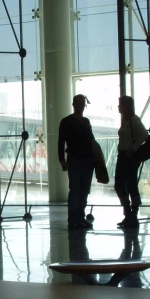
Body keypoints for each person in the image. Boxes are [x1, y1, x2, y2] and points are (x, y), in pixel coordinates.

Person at [58, 94, 95, 230]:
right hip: (77, 159)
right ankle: (75, 218)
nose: (81, 107)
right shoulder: (72, 122)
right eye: (80, 104)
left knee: (81, 189)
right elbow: (61, 142)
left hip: (83, 159)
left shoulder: (79, 121)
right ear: (74, 104)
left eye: (83, 104)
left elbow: (91, 140)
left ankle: (78, 218)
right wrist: (61, 159)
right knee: (76, 190)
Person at [115, 95, 148, 229]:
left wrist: (132, 149)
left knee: (129, 185)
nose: (118, 107)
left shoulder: (134, 120)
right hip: (123, 156)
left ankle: (132, 215)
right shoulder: (126, 120)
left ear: (126, 106)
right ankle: (130, 214)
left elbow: (144, 135)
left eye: (120, 104)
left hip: (129, 157)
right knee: (122, 185)